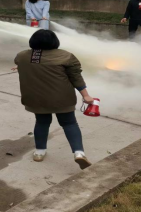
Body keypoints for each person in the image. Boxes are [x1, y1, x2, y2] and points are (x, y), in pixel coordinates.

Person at [14, 29, 94, 169]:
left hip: (36, 98)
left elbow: (24, 63)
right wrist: (86, 95)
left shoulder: (22, 56)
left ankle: (39, 152)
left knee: (42, 122)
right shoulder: (66, 56)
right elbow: (76, 77)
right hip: (62, 98)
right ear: (55, 41)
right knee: (69, 123)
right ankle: (79, 153)